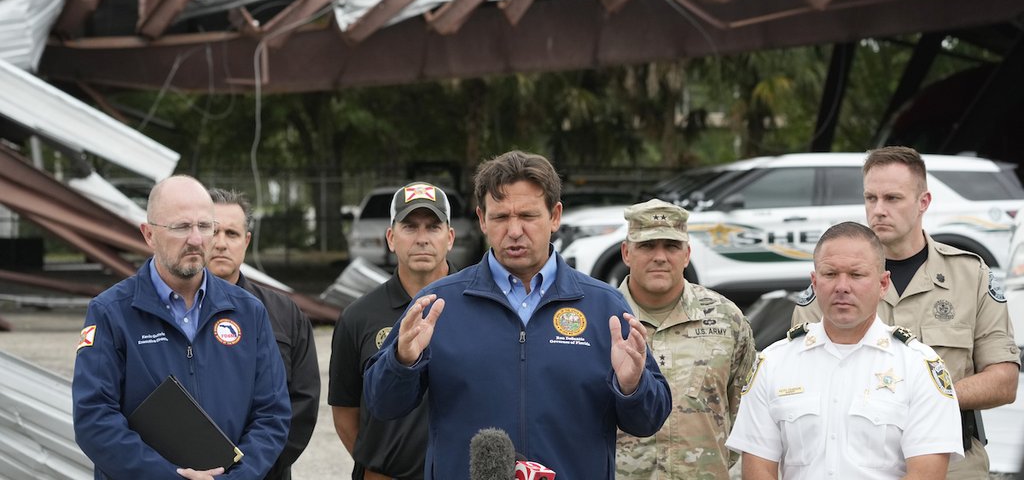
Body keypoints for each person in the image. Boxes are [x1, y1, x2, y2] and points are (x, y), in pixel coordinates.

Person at [363, 150, 671, 479]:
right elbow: (383, 405)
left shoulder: (604, 307)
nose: (514, 231)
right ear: (482, 219)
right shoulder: (437, 305)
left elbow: (648, 422)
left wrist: (632, 386)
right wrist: (402, 362)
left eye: (527, 216)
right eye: (500, 218)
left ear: (555, 216)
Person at [791, 146, 1019, 479]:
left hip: (953, 466)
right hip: (856, 465)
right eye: (871, 198)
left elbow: (1004, 381)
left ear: (923, 202)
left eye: (892, 199)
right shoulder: (833, 283)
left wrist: (928, 397)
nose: (878, 210)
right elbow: (798, 379)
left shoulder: (970, 276)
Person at [72, 175, 290, 480]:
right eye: (181, 227)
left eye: (204, 226)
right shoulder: (111, 313)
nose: (196, 239)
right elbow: (94, 419)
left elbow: (272, 414)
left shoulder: (248, 312)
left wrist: (237, 477)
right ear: (149, 235)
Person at [728, 221, 964, 479]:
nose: (842, 286)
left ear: (883, 284)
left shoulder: (919, 366)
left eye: (856, 275)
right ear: (815, 283)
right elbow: (758, 468)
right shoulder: (774, 363)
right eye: (830, 274)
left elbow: (926, 473)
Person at [614, 198, 755, 480]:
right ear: (626, 253)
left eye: (671, 246)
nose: (660, 257)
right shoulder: (602, 319)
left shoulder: (726, 318)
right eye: (647, 246)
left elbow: (748, 418)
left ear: (687, 253)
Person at [329, 181, 457, 479]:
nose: (422, 238)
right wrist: (381, 464)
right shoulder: (357, 316)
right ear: (391, 237)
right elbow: (345, 411)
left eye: (433, 227)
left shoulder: (476, 306)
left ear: (449, 237)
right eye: (410, 227)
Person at [207, 188, 320, 480]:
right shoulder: (173, 312)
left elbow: (303, 402)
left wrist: (252, 468)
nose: (221, 244)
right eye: (212, 231)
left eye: (231, 234)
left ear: (246, 241)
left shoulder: (285, 314)